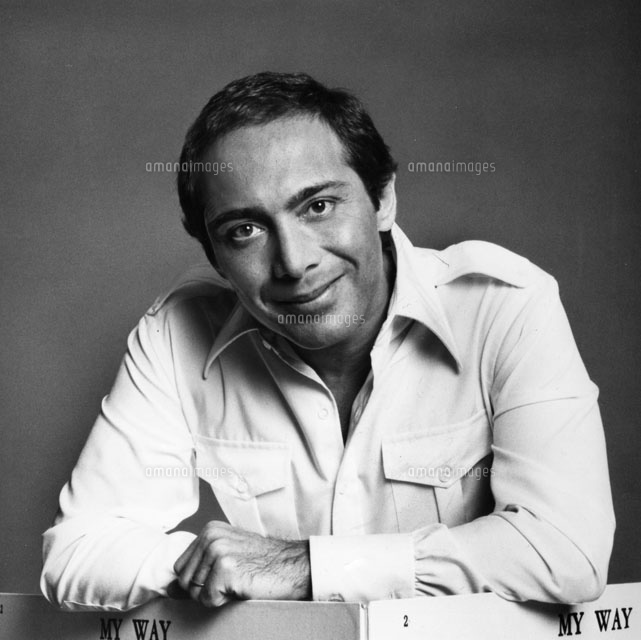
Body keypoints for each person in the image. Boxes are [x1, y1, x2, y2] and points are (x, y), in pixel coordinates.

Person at [41, 72, 615, 611]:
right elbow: (77, 553)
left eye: (318, 206)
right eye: (245, 230)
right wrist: (217, 565)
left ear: (383, 200)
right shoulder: (176, 333)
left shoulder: (503, 306)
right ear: (215, 257)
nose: (293, 263)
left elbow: (567, 547)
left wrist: (302, 567)